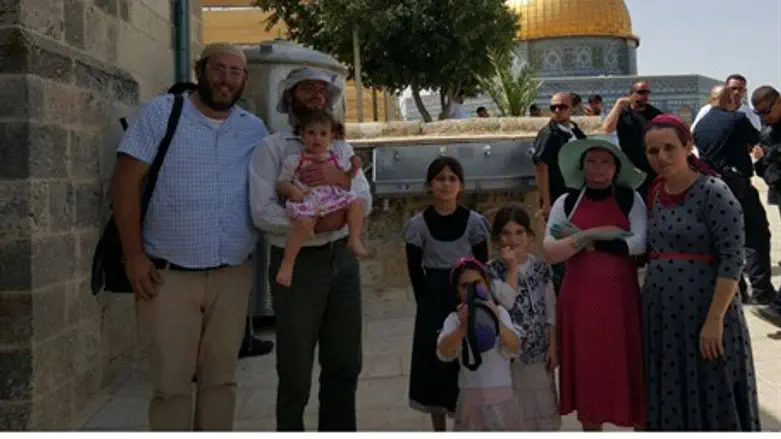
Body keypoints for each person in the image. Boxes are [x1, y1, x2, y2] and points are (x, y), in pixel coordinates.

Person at [112, 43, 268, 430]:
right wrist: (133, 256)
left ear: (244, 80)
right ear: (200, 70)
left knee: (221, 381)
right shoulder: (160, 114)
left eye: (236, 72)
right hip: (167, 277)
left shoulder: (253, 128)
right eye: (219, 69)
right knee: (171, 386)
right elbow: (124, 184)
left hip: (232, 274)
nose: (226, 80)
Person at [248, 67, 372, 431]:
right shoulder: (272, 149)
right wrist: (320, 221)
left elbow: (362, 195)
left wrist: (338, 183)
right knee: (295, 367)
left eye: (323, 90)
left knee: (345, 361)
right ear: (289, 98)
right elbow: (263, 211)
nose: (318, 95)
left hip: (342, 260)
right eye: (308, 89)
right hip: (298, 263)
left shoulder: (341, 149)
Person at [642, 114, 761, 431]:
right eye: (653, 151)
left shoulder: (715, 193)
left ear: (688, 146)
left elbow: (732, 260)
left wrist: (714, 320)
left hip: (707, 315)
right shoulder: (654, 193)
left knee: (712, 390)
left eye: (670, 148)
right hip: (666, 320)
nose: (662, 157)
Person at [543, 136, 648, 430]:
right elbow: (550, 250)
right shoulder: (567, 202)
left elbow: (640, 243)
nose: (597, 168)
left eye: (605, 162)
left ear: (616, 168)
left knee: (627, 369)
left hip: (620, 301)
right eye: (591, 161)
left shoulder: (631, 199)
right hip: (579, 302)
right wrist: (596, 234)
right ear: (581, 166)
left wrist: (581, 240)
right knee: (589, 374)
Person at [403, 156, 491, 431]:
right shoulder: (418, 225)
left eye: (452, 178)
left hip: (466, 296)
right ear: (430, 185)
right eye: (440, 178)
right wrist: (427, 304)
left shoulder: (474, 223)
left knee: (468, 358)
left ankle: (468, 422)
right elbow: (415, 271)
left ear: (461, 186)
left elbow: (483, 265)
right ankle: (439, 427)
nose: (445, 184)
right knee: (435, 364)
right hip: (433, 299)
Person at [693, 85, 775, 306]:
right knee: (756, 235)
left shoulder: (699, 125)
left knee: (726, 241)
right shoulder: (737, 120)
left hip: (713, 188)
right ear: (731, 100)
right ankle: (761, 291)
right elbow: (759, 141)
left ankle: (736, 291)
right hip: (738, 186)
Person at [275, 109, 369, 287]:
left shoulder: (336, 157)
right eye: (311, 133)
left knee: (357, 203)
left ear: (331, 137)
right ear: (302, 135)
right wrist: (293, 191)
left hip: (333, 198)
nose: (317, 138)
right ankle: (288, 264)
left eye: (323, 134)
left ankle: (355, 238)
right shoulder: (295, 159)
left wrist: (354, 168)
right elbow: (281, 183)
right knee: (302, 225)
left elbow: (347, 178)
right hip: (309, 199)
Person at [487, 205, 561, 431]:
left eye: (519, 233)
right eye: (506, 233)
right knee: (514, 413)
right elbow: (506, 301)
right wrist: (512, 267)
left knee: (541, 408)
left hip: (538, 351)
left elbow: (550, 310)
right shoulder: (491, 271)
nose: (513, 239)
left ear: (529, 236)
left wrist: (553, 345)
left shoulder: (540, 267)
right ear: (497, 238)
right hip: (508, 355)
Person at [436, 257, 522, 431]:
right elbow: (444, 352)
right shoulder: (454, 319)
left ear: (486, 282)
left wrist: (495, 319)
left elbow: (515, 348)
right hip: (471, 399)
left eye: (477, 283)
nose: (472, 290)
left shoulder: (500, 312)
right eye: (464, 286)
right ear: (456, 291)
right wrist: (462, 327)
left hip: (502, 398)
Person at [532, 92, 586, 293]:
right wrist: (546, 202)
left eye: (562, 106)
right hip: (557, 202)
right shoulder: (549, 134)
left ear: (572, 108)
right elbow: (541, 166)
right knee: (561, 251)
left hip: (576, 199)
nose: (557, 110)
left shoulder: (574, 132)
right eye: (553, 107)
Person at [602, 80, 664, 199]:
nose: (644, 96)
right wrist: (618, 104)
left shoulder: (654, 114)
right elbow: (607, 129)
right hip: (629, 165)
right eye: (641, 92)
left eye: (647, 92)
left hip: (650, 167)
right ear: (631, 94)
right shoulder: (623, 113)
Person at [752, 85, 781, 323]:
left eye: (766, 111)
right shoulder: (768, 131)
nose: (764, 117)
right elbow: (765, 166)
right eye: (759, 113)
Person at [691, 74, 763, 132]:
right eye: (733, 88)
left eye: (740, 89)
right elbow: (693, 133)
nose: (736, 92)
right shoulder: (707, 110)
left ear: (744, 91)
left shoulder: (750, 114)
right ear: (725, 88)